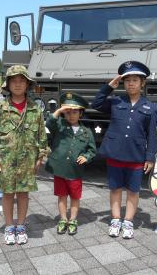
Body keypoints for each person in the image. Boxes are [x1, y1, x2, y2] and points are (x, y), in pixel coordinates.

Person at [92, 61, 157, 239]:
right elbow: (96, 104)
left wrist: (150, 157)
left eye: (135, 80)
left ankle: (128, 221)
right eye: (127, 80)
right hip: (115, 154)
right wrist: (108, 87)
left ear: (142, 83)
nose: (131, 83)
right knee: (115, 189)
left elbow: (152, 135)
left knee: (133, 191)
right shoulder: (116, 101)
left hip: (136, 156)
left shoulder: (150, 108)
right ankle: (115, 219)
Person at [0, 65, 49, 245]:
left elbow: (41, 136)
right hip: (6, 161)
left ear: (28, 84)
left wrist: (40, 157)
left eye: (22, 81)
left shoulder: (35, 109)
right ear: (8, 84)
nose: (18, 84)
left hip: (27, 161)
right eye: (14, 80)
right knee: (7, 194)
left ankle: (20, 225)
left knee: (23, 194)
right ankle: (8, 226)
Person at [45, 92, 96, 235]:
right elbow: (49, 122)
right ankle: (63, 218)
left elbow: (92, 150)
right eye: (68, 112)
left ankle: (73, 219)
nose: (71, 115)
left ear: (81, 113)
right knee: (61, 196)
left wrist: (87, 156)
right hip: (60, 170)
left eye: (75, 112)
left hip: (75, 171)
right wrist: (59, 110)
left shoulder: (86, 132)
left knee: (75, 197)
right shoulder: (60, 126)